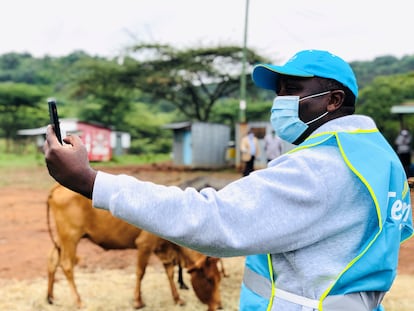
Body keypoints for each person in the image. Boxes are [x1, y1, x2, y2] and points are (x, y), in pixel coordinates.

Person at [44, 49, 413, 311]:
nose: (278, 101)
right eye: (277, 90)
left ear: (333, 101)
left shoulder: (321, 168)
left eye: (291, 90)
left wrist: (91, 181)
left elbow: (214, 218)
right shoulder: (381, 159)